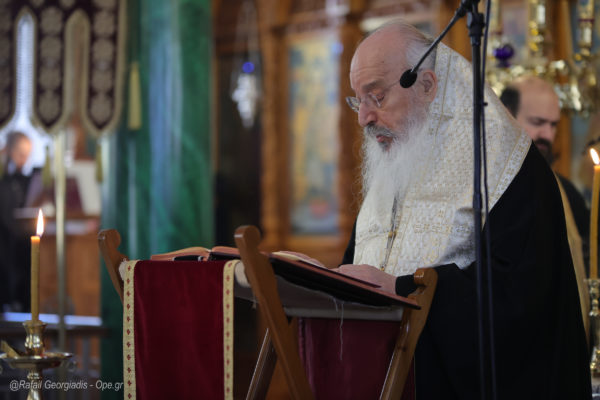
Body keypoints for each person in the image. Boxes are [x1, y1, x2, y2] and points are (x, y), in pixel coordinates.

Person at [311, 20, 589, 399]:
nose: (364, 118)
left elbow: (519, 298)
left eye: (376, 97)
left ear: (427, 85)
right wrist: (319, 282)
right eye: (358, 101)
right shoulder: (397, 165)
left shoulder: (504, 165)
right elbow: (362, 265)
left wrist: (402, 289)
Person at [500, 76, 591, 340]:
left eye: (553, 125)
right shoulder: (486, 189)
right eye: (538, 123)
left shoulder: (567, 193)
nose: (548, 136)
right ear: (506, 115)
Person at [0, 131, 37, 311]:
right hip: (6, 247)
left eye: (27, 155)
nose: (24, 159)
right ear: (8, 151)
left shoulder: (29, 180)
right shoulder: (4, 181)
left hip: (24, 246)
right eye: (20, 154)